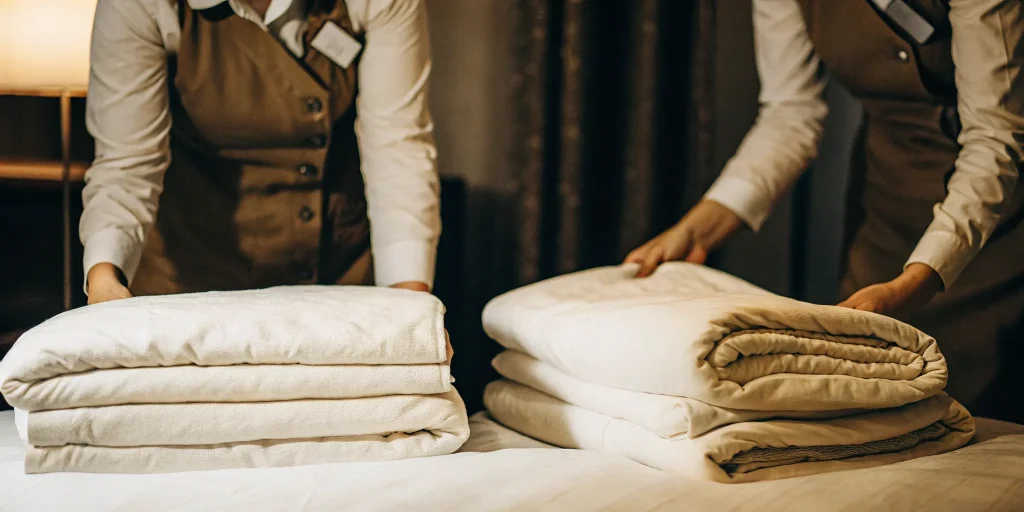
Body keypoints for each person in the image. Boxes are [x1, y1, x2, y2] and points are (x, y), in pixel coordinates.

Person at [626, 0, 1023, 423]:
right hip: (886, 205)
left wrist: (917, 281)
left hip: (999, 217)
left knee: (982, 418)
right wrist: (696, 231)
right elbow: (790, 115)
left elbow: (995, 137)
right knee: (866, 413)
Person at [81, 0, 439, 304]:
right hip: (189, 277)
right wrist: (104, 277)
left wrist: (409, 298)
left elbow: (397, 148)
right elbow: (127, 162)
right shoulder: (142, 5)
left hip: (335, 273)